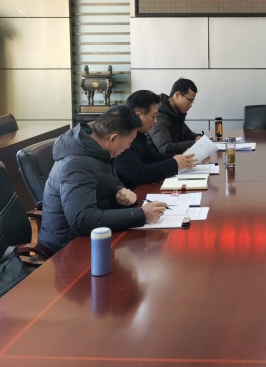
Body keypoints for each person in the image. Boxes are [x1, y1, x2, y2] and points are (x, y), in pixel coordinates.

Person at [38, 105, 167, 255]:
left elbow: (109, 180)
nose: (128, 147)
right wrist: (141, 215)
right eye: (129, 142)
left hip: (95, 237)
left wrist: (119, 191)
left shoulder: (99, 150)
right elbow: (83, 220)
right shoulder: (76, 164)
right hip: (67, 249)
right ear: (113, 138)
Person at [114, 89, 197, 189]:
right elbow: (139, 174)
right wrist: (174, 163)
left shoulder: (139, 134)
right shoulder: (121, 138)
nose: (155, 121)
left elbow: (151, 157)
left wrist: (180, 158)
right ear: (138, 115)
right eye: (153, 116)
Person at [150, 78, 201, 154]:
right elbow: (166, 148)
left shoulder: (175, 113)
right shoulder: (159, 115)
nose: (190, 105)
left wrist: (197, 137)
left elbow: (187, 133)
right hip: (157, 159)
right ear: (177, 95)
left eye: (192, 101)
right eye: (189, 100)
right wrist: (196, 143)